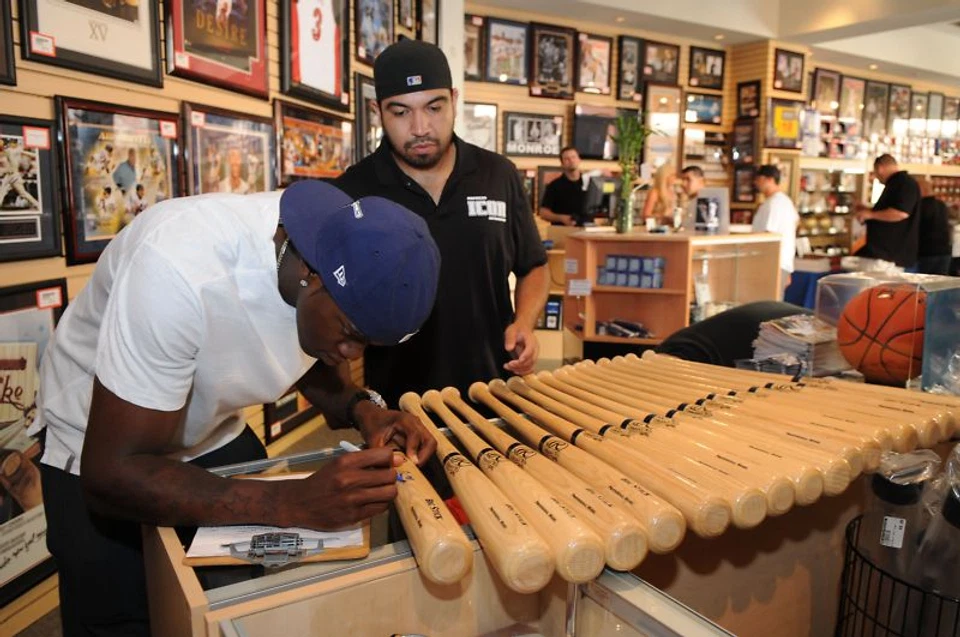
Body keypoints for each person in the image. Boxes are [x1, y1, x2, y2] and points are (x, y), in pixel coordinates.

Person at [29, 179, 441, 636]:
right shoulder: (178, 267)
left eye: (370, 344)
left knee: (228, 610)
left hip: (213, 430)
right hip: (97, 443)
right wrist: (293, 502)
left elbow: (299, 342)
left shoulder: (336, 246)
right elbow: (112, 474)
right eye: (351, 333)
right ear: (313, 275)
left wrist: (363, 407)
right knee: (125, 618)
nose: (353, 354)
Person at [334, 38, 549, 409]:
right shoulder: (354, 189)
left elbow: (534, 266)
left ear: (453, 99)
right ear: (377, 111)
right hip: (400, 404)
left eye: (434, 107)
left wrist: (525, 322)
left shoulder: (498, 174)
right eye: (400, 112)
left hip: (494, 390)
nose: (420, 127)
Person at [854, 154, 921, 268]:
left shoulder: (904, 183)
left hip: (890, 256)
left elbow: (901, 213)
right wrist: (868, 211)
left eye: (875, 172)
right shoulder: (895, 183)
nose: (876, 177)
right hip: (885, 254)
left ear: (879, 168)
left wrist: (871, 214)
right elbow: (890, 211)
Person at [752, 164, 799, 295]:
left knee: (768, 306)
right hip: (779, 263)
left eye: (759, 178)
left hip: (771, 264)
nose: (756, 182)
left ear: (770, 179)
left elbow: (769, 236)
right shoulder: (784, 201)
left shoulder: (775, 203)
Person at [539, 146, 587, 226]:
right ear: (562, 164)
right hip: (561, 231)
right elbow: (543, 213)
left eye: (573, 157)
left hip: (587, 231)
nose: (571, 161)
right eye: (567, 159)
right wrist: (562, 218)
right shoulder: (554, 186)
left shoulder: (589, 182)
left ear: (579, 160)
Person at [916, 177, 953, 275]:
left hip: (926, 252)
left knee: (923, 286)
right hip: (945, 251)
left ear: (921, 190)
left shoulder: (920, 206)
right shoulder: (942, 205)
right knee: (939, 285)